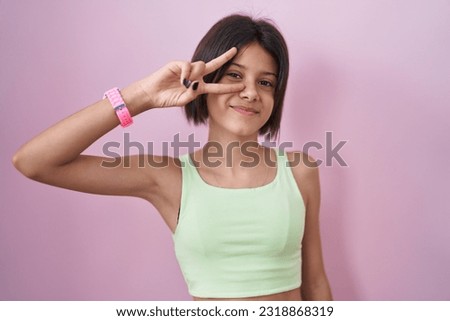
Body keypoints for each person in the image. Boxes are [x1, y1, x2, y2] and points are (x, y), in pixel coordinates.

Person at [13, 14, 332, 301]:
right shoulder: (168, 177)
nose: (250, 92)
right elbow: (34, 162)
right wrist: (142, 96)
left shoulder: (300, 170)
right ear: (204, 81)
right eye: (235, 76)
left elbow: (315, 283)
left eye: (265, 82)